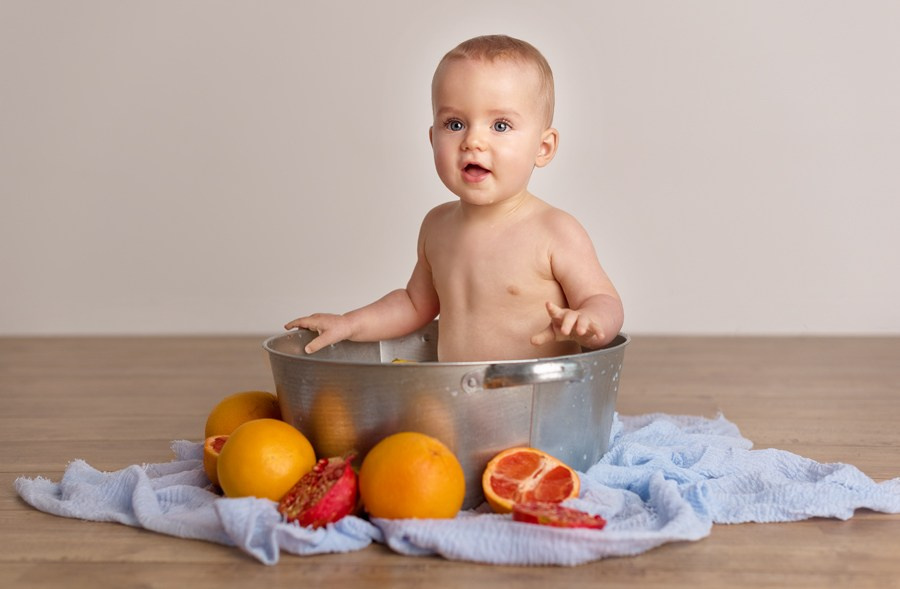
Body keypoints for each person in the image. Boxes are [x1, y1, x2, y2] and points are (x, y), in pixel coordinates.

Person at [285, 35, 623, 362]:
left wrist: (590, 323)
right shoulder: (437, 225)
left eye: (500, 126)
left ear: (543, 147)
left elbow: (602, 299)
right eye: (456, 123)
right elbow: (415, 304)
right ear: (433, 139)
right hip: (456, 402)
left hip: (537, 403)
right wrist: (349, 323)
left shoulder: (554, 231)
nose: (473, 141)